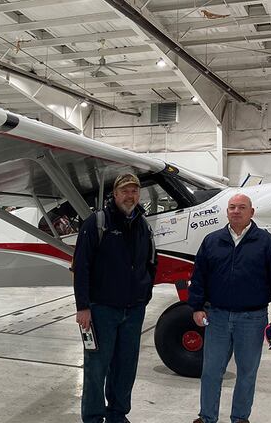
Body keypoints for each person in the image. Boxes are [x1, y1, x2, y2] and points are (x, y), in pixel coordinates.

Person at [189, 193, 271, 423]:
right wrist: (197, 306)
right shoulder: (211, 241)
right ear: (226, 212)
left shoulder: (267, 244)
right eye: (232, 207)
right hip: (216, 317)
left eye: (241, 207)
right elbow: (199, 277)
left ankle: (240, 418)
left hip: (252, 318)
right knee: (210, 371)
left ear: (251, 212)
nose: (236, 211)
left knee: (247, 373)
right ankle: (207, 417)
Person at [73, 173, 157, 423]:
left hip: (133, 310)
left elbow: (151, 263)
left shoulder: (143, 225)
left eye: (134, 191)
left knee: (126, 366)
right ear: (115, 194)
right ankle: (93, 417)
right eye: (125, 191)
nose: (130, 196)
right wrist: (83, 307)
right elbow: (81, 266)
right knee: (97, 366)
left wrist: (144, 294)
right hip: (102, 310)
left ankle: (118, 414)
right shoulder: (97, 223)